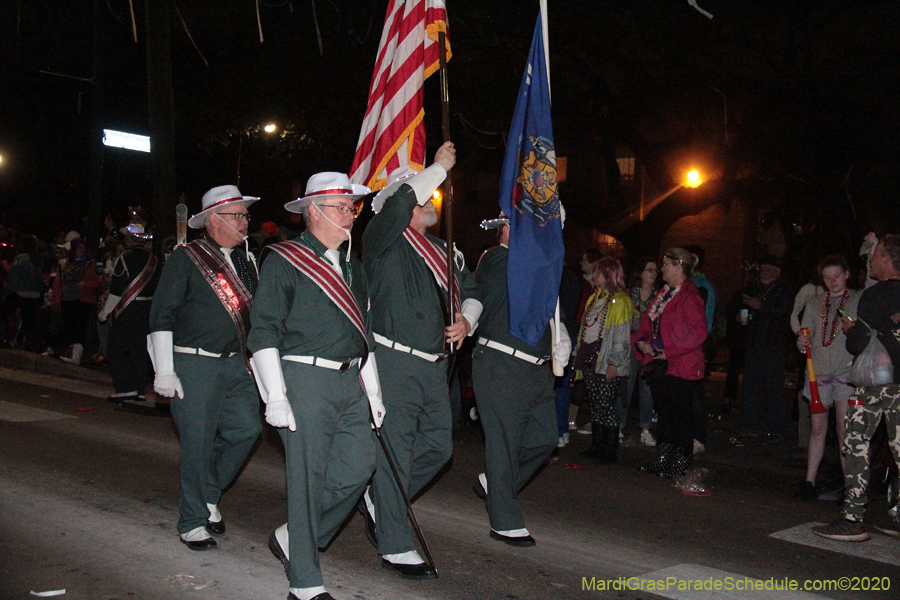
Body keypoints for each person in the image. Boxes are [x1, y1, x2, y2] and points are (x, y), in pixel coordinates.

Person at [250, 173, 383, 600]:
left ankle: (295, 536)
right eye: (341, 208)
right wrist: (274, 395)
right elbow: (263, 331)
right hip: (304, 379)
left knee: (360, 465)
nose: (350, 215)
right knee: (307, 481)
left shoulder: (354, 267)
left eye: (352, 208)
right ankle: (304, 581)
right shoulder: (284, 259)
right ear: (313, 212)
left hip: (350, 381)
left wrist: (375, 394)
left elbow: (365, 335)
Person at [360, 142, 482, 579]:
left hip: (434, 366)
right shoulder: (382, 241)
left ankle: (380, 498)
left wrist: (467, 320)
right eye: (419, 196)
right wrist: (438, 168)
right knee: (396, 451)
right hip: (393, 362)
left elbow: (472, 290)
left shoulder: (444, 250)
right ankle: (394, 544)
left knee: (438, 447)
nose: (429, 200)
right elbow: (399, 207)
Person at [148, 185, 262, 551]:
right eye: (237, 215)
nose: (244, 222)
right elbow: (161, 314)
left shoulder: (246, 261)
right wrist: (164, 369)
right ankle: (192, 520)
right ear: (213, 219)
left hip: (236, 364)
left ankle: (209, 493)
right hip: (194, 363)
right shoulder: (186, 258)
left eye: (245, 215)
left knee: (247, 429)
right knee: (197, 444)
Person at [472, 214, 570, 545]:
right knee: (504, 443)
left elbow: (547, 308)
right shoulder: (496, 258)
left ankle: (496, 483)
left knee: (545, 437)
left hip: (537, 369)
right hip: (501, 362)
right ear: (506, 229)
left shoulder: (539, 264)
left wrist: (561, 335)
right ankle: (504, 520)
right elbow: (524, 279)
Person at [812, 235, 900, 542]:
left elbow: (860, 341)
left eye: (875, 256)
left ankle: (853, 517)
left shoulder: (875, 295)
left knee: (856, 444)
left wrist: (852, 330)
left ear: (887, 260)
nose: (871, 261)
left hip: (878, 385)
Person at [634, 248, 707, 477]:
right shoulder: (664, 294)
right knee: (665, 413)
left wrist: (670, 351)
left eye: (666, 265)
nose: (662, 269)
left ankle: (681, 463)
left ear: (679, 267)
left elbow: (698, 332)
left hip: (681, 365)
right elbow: (647, 321)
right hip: (660, 364)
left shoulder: (690, 296)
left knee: (679, 415)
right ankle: (663, 459)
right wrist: (642, 340)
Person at [793, 255, 860, 501]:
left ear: (847, 274)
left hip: (845, 373)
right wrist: (802, 341)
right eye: (827, 277)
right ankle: (809, 481)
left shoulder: (858, 300)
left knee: (844, 429)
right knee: (817, 428)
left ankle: (850, 485)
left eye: (837, 276)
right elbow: (805, 337)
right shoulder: (814, 304)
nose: (832, 281)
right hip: (818, 372)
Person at [574, 258, 634, 463]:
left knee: (606, 405)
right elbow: (585, 330)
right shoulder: (593, 299)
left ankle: (609, 449)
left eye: (598, 272)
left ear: (609, 275)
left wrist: (614, 363)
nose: (593, 276)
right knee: (595, 404)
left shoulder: (620, 301)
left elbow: (621, 335)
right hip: (590, 359)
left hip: (605, 360)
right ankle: (597, 445)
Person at [98, 224, 161, 412]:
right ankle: (139, 391)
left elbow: (117, 290)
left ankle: (125, 389)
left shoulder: (124, 259)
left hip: (128, 310)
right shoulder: (154, 260)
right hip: (147, 309)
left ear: (129, 239)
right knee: (139, 351)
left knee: (116, 349)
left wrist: (104, 312)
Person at [739, 256, 793, 441]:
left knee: (774, 389)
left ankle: (775, 429)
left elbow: (785, 315)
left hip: (773, 347)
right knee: (751, 388)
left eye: (768, 270)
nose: (763, 273)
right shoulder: (756, 288)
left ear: (777, 272)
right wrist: (744, 317)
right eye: (762, 269)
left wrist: (762, 306)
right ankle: (750, 425)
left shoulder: (783, 291)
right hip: (754, 345)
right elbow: (747, 311)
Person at [685, 245, 715, 455]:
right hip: (687, 343)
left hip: (696, 344)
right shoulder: (690, 284)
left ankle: (698, 436)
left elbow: (698, 320)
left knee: (695, 391)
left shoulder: (701, 286)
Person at [626, 258, 659, 446]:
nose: (653, 274)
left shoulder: (659, 296)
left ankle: (646, 428)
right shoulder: (629, 294)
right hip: (630, 344)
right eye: (649, 270)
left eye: (655, 271)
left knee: (647, 389)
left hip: (649, 347)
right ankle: (619, 426)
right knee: (626, 385)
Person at [57, 238, 102, 365]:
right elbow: (60, 281)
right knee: (69, 326)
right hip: (67, 298)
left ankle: (76, 355)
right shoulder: (66, 263)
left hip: (82, 299)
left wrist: (86, 284)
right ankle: (69, 352)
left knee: (79, 327)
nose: (81, 251)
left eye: (83, 248)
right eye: (79, 248)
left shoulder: (90, 264)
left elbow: (98, 281)